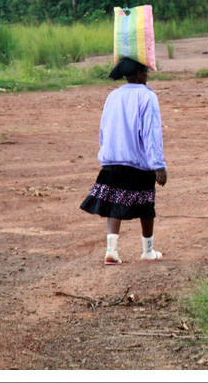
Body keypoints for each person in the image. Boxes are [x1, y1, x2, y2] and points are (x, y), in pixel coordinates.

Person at [80, 57, 168, 265]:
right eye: (145, 72)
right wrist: (158, 165)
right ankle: (148, 250)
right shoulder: (147, 97)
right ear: (137, 74)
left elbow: (104, 128)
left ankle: (111, 250)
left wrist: (105, 155)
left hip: (112, 159)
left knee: (114, 205)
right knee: (146, 206)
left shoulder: (113, 96)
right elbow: (151, 133)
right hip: (137, 161)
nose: (146, 76)